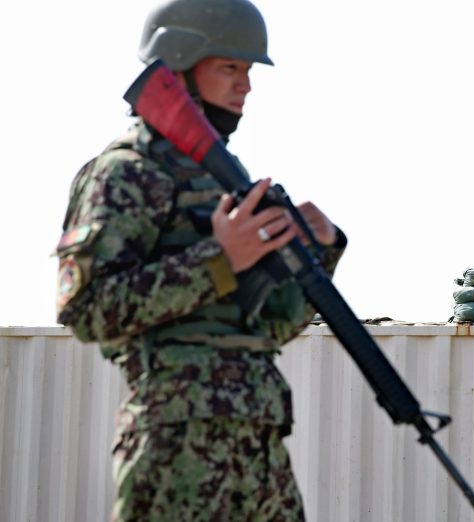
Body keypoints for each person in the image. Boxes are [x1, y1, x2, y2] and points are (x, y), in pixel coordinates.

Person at [54, 1, 345, 519]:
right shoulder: (125, 172)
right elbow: (87, 309)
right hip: (176, 451)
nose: (246, 86)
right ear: (178, 64)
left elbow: (269, 326)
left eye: (249, 70)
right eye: (231, 67)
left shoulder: (219, 183)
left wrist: (319, 254)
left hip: (259, 447)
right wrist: (219, 258)